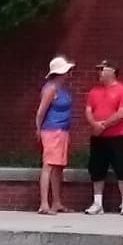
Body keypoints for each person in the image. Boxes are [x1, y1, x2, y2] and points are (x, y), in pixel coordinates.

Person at [84, 60, 123, 216]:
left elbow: (122, 113)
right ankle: (97, 203)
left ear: (112, 71)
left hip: (117, 137)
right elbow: (88, 110)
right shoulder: (94, 92)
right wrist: (94, 125)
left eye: (102, 69)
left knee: (122, 169)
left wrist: (104, 125)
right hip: (98, 137)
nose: (99, 72)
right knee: (97, 169)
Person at [34, 56, 74, 215]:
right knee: (48, 165)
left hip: (63, 130)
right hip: (51, 130)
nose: (69, 74)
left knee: (58, 167)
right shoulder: (50, 89)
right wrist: (38, 129)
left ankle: (56, 202)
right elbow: (41, 111)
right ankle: (44, 204)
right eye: (66, 71)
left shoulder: (63, 89)